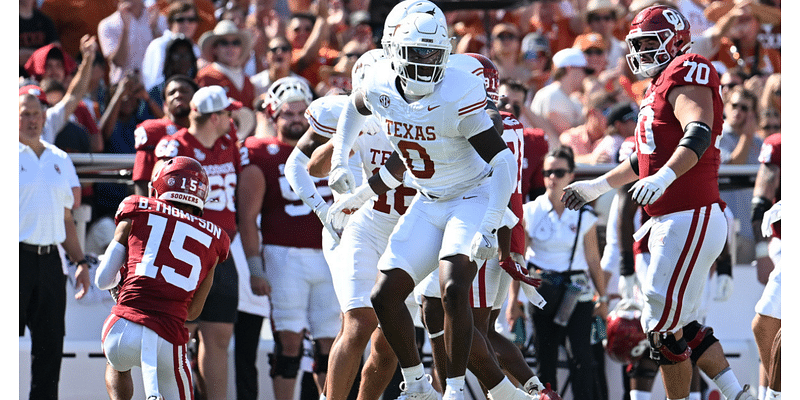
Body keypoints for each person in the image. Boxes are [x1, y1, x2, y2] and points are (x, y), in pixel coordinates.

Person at [561, 6, 755, 400]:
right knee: (679, 324)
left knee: (662, 328)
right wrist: (597, 186)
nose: (644, 51)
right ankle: (737, 394)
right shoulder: (657, 85)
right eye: (639, 44)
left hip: (690, 213)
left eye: (652, 42)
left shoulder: (690, 67)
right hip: (676, 218)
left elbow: (697, 130)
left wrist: (666, 176)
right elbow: (643, 158)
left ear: (677, 39)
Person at [325, 12, 518, 400]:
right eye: (417, 53)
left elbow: (503, 161)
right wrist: (339, 162)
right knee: (383, 297)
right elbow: (354, 105)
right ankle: (417, 385)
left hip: (471, 197)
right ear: (394, 52)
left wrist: (490, 224)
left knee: (451, 289)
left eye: (433, 55)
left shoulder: (458, 90)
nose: (426, 65)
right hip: (429, 201)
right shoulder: (380, 82)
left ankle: (455, 389)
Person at [284, 49, 404, 400]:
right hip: (354, 227)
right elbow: (301, 167)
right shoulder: (341, 110)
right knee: (359, 321)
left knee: (392, 337)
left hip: (401, 230)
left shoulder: (414, 113)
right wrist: (325, 211)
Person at [236, 76, 339, 400]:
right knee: (289, 342)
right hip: (284, 256)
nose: (295, 120)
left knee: (331, 341)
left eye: (300, 113)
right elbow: (247, 217)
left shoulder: (333, 148)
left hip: (330, 254)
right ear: (273, 116)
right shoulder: (261, 152)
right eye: (287, 114)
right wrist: (255, 266)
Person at [96, 156, 230, 400]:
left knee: (116, 363)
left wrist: (124, 289)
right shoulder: (215, 239)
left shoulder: (136, 210)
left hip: (121, 330)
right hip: (167, 340)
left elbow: (103, 280)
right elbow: (192, 313)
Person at [154, 85, 247, 400]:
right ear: (217, 117)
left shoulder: (228, 145)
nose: (232, 118)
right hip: (186, 250)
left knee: (219, 336)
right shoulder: (173, 146)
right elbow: (157, 196)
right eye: (227, 113)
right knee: (180, 333)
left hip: (222, 252)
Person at [20, 86, 92, 400]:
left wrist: (79, 262)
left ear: (45, 117)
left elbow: (66, 219)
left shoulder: (59, 158)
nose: (31, 120)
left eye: (36, 113)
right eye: (24, 113)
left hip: (51, 262)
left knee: (50, 349)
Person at [524, 146, 608, 400]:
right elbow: (517, 259)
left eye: (559, 172)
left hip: (577, 291)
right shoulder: (530, 210)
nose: (552, 177)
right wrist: (513, 302)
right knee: (544, 359)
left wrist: (603, 299)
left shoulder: (585, 214)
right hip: (541, 289)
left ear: (571, 175)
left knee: (581, 357)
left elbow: (594, 260)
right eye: (548, 172)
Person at [132, 74, 199, 196]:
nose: (178, 95)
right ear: (165, 103)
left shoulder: (208, 129)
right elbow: (143, 178)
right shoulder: (153, 130)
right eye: (171, 93)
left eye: (184, 91)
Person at [750, 132, 780, 400]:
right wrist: (761, 251)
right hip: (784, 243)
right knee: (768, 325)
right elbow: (760, 201)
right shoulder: (779, 143)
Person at [97, 0, 167, 85]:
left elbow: (166, 56)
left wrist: (154, 28)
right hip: (124, 89)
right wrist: (125, 29)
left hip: (154, 88)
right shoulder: (107, 25)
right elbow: (119, 61)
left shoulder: (160, 19)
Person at [196, 19, 257, 111]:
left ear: (240, 48)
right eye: (224, 43)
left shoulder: (248, 81)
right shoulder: (206, 76)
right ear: (214, 49)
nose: (231, 47)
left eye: (235, 43)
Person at [142, 1, 200, 92]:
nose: (186, 24)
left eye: (191, 19)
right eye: (180, 20)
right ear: (170, 22)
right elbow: (154, 84)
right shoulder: (159, 45)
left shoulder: (195, 48)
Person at [530, 47, 588, 135]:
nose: (585, 75)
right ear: (569, 69)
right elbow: (568, 133)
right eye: (584, 70)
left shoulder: (573, 98)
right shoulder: (552, 95)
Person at [559, 91, 617, 164]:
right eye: (607, 111)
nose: (612, 117)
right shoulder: (570, 136)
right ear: (592, 112)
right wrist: (590, 159)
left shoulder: (616, 137)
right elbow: (567, 161)